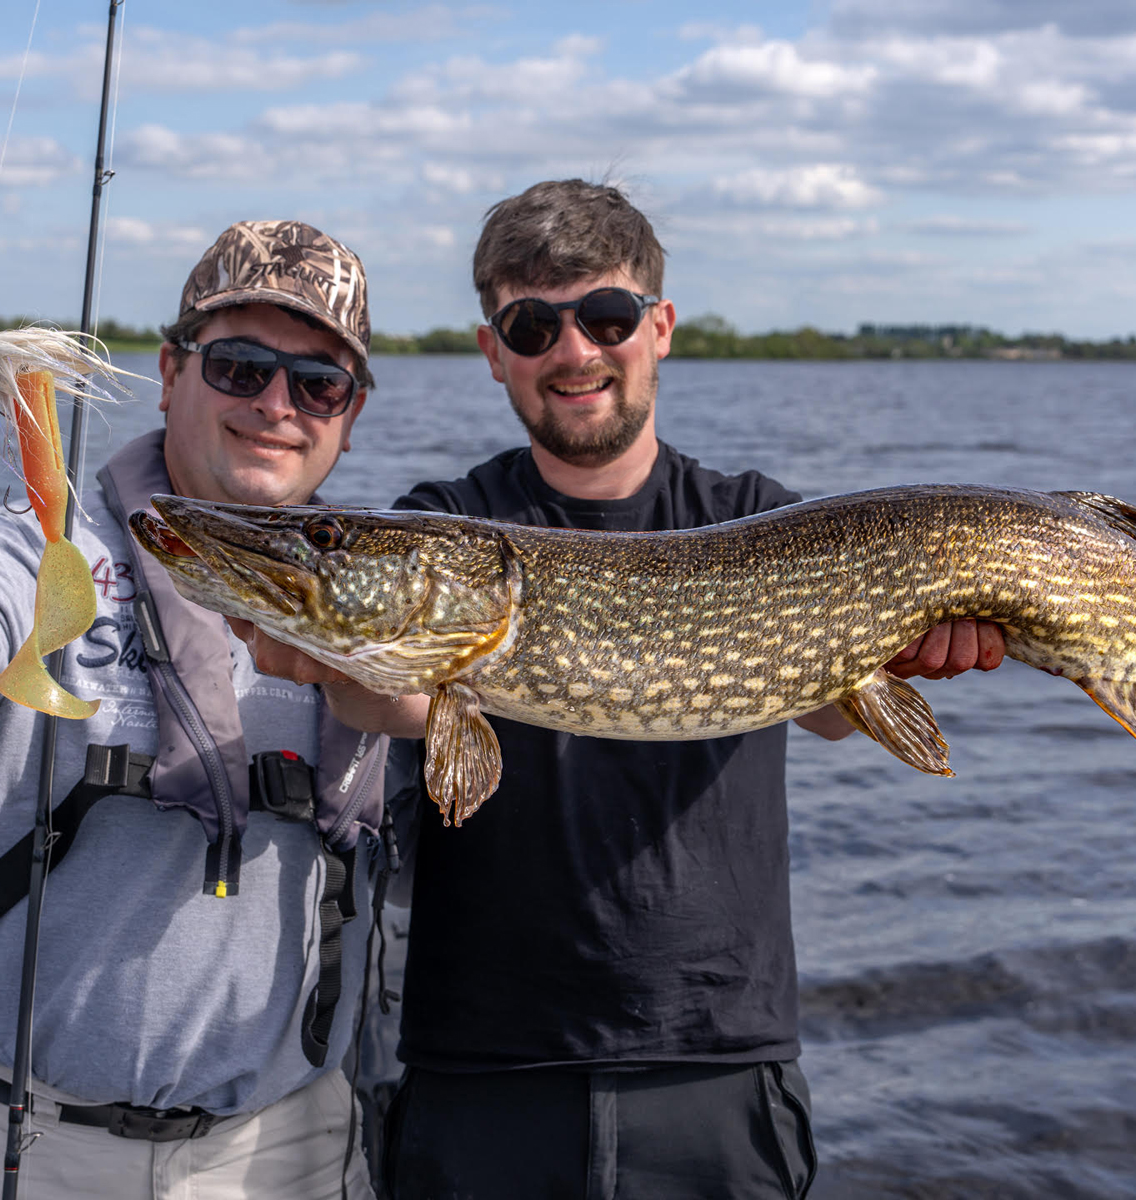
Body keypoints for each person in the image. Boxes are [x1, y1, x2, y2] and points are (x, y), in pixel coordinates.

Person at [370, 180, 1005, 1197]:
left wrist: (908, 653)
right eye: (532, 326)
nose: (574, 353)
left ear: (659, 328)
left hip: (719, 1067)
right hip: (482, 1074)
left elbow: (833, 711)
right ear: (494, 352)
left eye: (606, 317)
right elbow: (388, 703)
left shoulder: (759, 516)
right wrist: (329, 654)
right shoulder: (446, 524)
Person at [0, 220, 402, 1199]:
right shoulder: (40, 551)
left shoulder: (382, 596)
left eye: (318, 383)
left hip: (288, 1148)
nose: (277, 406)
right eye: (240, 367)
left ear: (350, 413)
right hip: (28, 1143)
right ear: (170, 374)